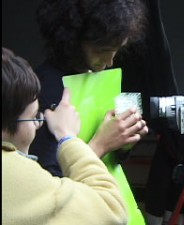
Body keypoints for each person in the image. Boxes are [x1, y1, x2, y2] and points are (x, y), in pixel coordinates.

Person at [2, 47, 128, 225]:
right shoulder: (14, 178)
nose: (38, 124)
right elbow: (111, 210)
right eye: (33, 117)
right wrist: (70, 137)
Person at [30, 0, 148, 177]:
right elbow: (48, 182)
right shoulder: (45, 88)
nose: (109, 62)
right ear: (73, 40)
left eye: (117, 49)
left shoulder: (99, 78)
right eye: (102, 50)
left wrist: (123, 144)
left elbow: (110, 161)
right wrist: (101, 144)